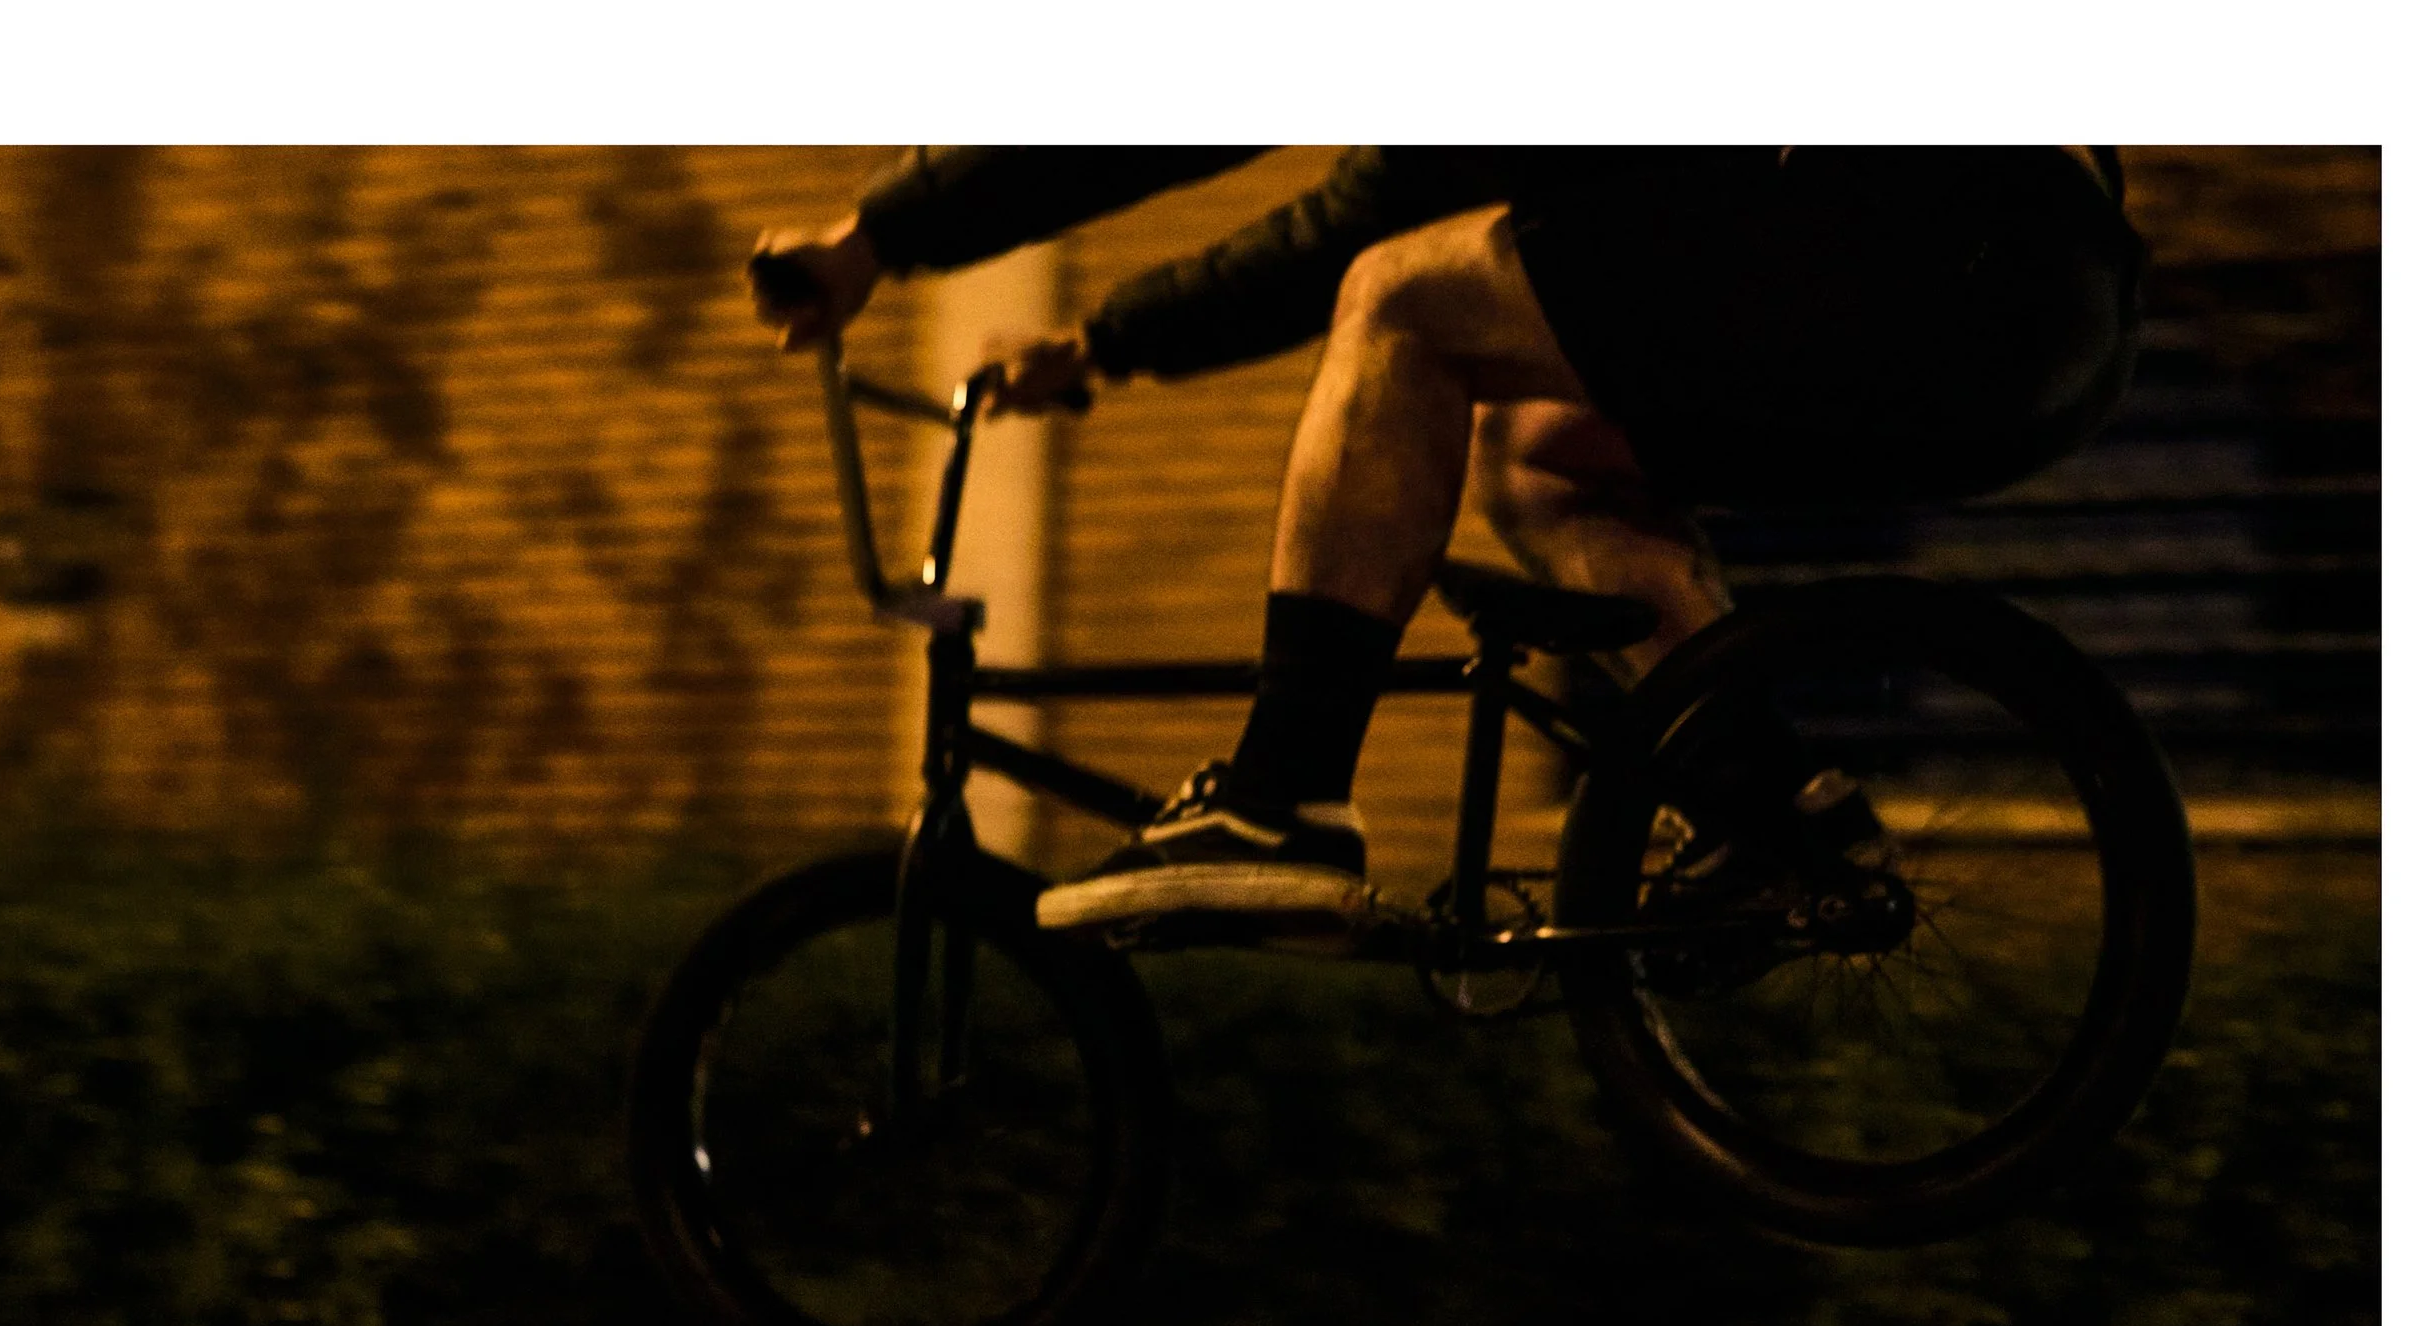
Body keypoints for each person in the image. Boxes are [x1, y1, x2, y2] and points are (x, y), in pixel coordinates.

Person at [750, 146, 2144, 931]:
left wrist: (908, 249)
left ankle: (1283, 794)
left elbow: (1344, 200)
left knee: (1401, 297)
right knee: (1543, 460)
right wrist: (1079, 329)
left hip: (1926, 236)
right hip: (2040, 328)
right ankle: (1769, 811)